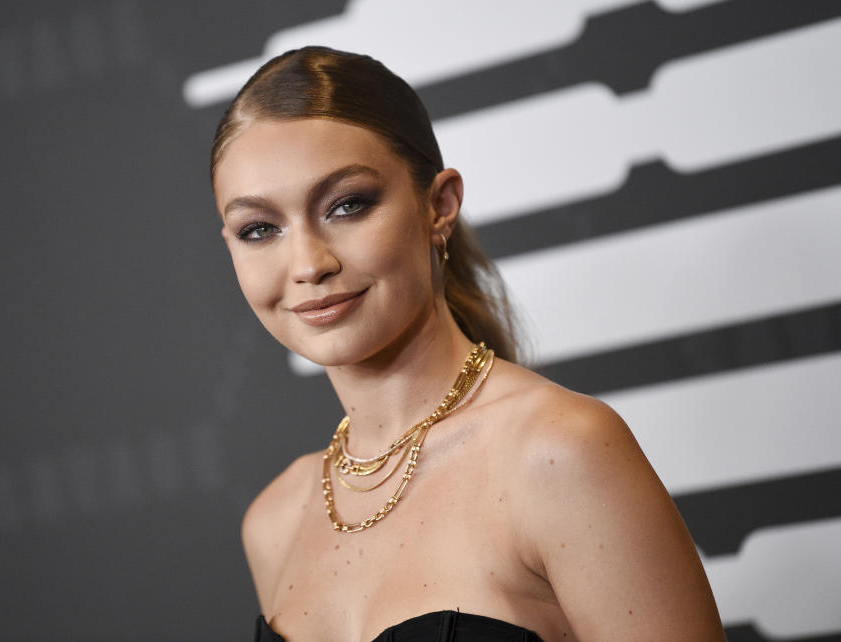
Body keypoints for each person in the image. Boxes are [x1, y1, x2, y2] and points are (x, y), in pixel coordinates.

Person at [211, 46, 725, 642]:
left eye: (347, 205)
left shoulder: (559, 453)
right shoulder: (274, 521)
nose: (307, 264)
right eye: (260, 230)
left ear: (439, 205)